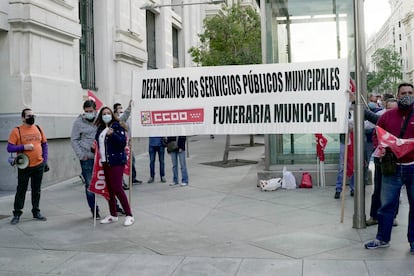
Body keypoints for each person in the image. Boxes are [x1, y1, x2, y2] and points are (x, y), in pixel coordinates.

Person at [364, 83, 414, 254]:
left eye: (410, 92)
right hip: (391, 168)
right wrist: (381, 148)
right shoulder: (387, 116)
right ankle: (382, 238)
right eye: (403, 93)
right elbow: (376, 134)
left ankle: (413, 241)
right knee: (386, 206)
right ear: (397, 95)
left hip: (413, 168)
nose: (407, 95)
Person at [7, 108, 49, 225]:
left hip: (38, 165)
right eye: (28, 116)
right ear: (23, 118)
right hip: (24, 166)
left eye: (32, 115)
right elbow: (9, 148)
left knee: (37, 190)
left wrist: (44, 161)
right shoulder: (17, 131)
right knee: (21, 190)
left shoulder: (38, 128)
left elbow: (44, 145)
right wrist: (24, 147)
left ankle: (36, 212)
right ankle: (17, 214)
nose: (31, 117)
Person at [94, 106, 134, 226]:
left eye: (108, 113)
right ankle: (113, 214)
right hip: (105, 162)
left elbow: (122, 142)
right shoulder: (100, 128)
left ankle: (129, 214)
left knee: (117, 188)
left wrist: (113, 135)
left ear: (112, 115)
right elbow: (100, 144)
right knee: (110, 189)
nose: (106, 115)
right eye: (104, 114)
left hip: (116, 161)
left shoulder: (117, 126)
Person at [366, 98, 399, 226]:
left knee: (392, 191)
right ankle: (374, 216)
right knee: (378, 189)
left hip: (395, 160)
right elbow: (374, 134)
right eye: (388, 109)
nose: (391, 112)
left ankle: (392, 217)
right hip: (380, 159)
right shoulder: (381, 118)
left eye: (393, 109)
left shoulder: (401, 121)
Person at [70, 100, 100, 219]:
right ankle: (94, 209)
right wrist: (81, 155)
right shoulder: (78, 123)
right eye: (86, 112)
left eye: (91, 111)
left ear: (95, 110)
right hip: (87, 159)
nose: (89, 113)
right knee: (89, 185)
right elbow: (74, 140)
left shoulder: (101, 120)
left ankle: (115, 207)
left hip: (101, 158)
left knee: (107, 183)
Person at [113, 101, 142, 187]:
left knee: (131, 161)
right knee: (121, 164)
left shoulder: (124, 120)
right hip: (119, 147)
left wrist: (129, 140)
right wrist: (129, 107)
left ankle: (132, 178)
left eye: (122, 108)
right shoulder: (114, 120)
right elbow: (126, 114)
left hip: (127, 145)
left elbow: (128, 130)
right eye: (119, 108)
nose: (121, 110)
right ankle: (121, 182)